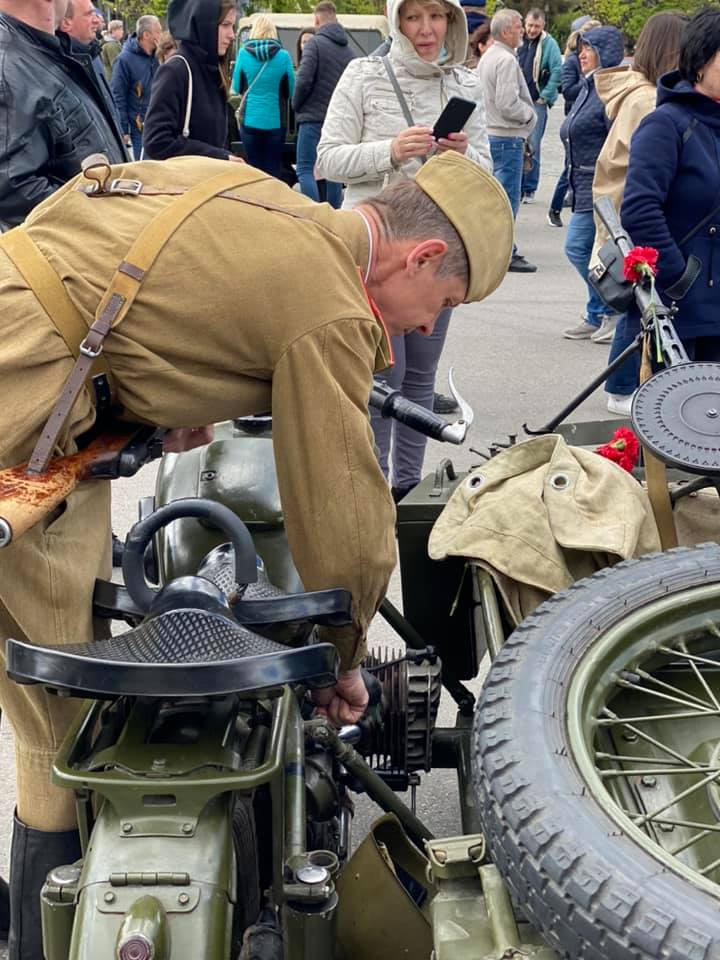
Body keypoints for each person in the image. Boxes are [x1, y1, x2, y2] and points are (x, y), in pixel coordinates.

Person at [0, 148, 512, 955]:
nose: (424, 327)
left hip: (29, 341)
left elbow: (94, 231)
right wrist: (341, 657)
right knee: (62, 722)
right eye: (441, 302)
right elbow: (344, 519)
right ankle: (43, 931)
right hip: (20, 405)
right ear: (423, 256)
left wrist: (149, 384)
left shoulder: (257, 193)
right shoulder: (332, 306)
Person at [317, 0, 492, 501]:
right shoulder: (363, 74)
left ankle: (407, 488)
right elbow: (326, 160)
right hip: (375, 254)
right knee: (376, 381)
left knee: (420, 378)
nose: (426, 29)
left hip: (440, 253)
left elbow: (487, 176)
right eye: (413, 17)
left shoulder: (466, 83)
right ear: (396, 20)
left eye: (437, 17)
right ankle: (369, 492)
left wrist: (465, 156)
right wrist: (390, 152)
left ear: (453, 20)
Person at [591, 12, 687, 416]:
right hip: (632, 221)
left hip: (616, 212)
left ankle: (623, 384)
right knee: (641, 306)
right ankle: (622, 386)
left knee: (639, 305)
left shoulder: (636, 92)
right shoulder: (651, 100)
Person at [622, 7, 720, 366]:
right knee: (683, 416)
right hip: (683, 311)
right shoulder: (666, 125)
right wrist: (681, 277)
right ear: (700, 61)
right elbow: (639, 209)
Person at [0, 0, 127, 232]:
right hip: (80, 255)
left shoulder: (44, 52)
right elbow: (13, 188)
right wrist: (108, 219)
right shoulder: (9, 67)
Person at [560, 25, 624, 342]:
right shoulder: (589, 85)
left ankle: (613, 310)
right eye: (580, 48)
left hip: (599, 186)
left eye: (589, 48)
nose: (581, 54)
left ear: (605, 53)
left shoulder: (609, 92)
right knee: (587, 249)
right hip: (581, 183)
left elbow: (617, 143)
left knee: (579, 248)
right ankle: (596, 311)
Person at [477, 8, 537, 273]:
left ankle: (491, 250)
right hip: (506, 137)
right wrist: (529, 116)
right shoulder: (506, 60)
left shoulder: (489, 57)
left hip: (492, 134)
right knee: (507, 200)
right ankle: (505, 253)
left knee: (492, 199)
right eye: (518, 26)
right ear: (505, 31)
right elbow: (506, 102)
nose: (521, 31)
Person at [143, 0, 240, 161]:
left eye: (232, 26)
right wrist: (219, 156)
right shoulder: (176, 70)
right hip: (183, 183)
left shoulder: (212, 69)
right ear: (204, 25)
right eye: (225, 25)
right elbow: (156, 141)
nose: (232, 34)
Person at [293, 1, 355, 208]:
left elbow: (302, 81)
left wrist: (297, 105)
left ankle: (315, 218)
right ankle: (335, 215)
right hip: (337, 120)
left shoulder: (314, 45)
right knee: (333, 170)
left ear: (317, 20)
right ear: (335, 19)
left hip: (312, 117)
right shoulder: (349, 52)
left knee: (304, 168)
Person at [547, 16, 600, 227]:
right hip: (575, 118)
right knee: (569, 168)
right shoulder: (571, 61)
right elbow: (567, 90)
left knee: (573, 167)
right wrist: (588, 82)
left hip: (587, 118)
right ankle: (554, 208)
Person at [231, 16, 295, 178]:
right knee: (273, 169)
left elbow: (237, 87)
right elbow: (291, 91)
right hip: (275, 122)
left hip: (250, 121)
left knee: (253, 170)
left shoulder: (243, 54)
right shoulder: (284, 56)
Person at [517, 7, 562, 204]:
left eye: (536, 26)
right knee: (516, 144)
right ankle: (517, 186)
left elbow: (557, 70)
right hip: (517, 101)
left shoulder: (549, 44)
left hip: (536, 102)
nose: (532, 30)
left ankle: (529, 188)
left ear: (543, 26)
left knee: (533, 145)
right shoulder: (518, 41)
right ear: (524, 24)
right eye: (529, 25)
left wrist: (545, 96)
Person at [111, 14, 162, 158]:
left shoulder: (158, 56)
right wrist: (123, 129)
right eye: (158, 31)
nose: (161, 35)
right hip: (140, 127)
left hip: (160, 123)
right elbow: (118, 95)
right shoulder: (124, 60)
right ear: (146, 35)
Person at [60, 0, 119, 123]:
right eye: (89, 14)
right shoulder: (61, 64)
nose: (97, 20)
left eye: (95, 14)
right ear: (66, 23)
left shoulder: (93, 53)